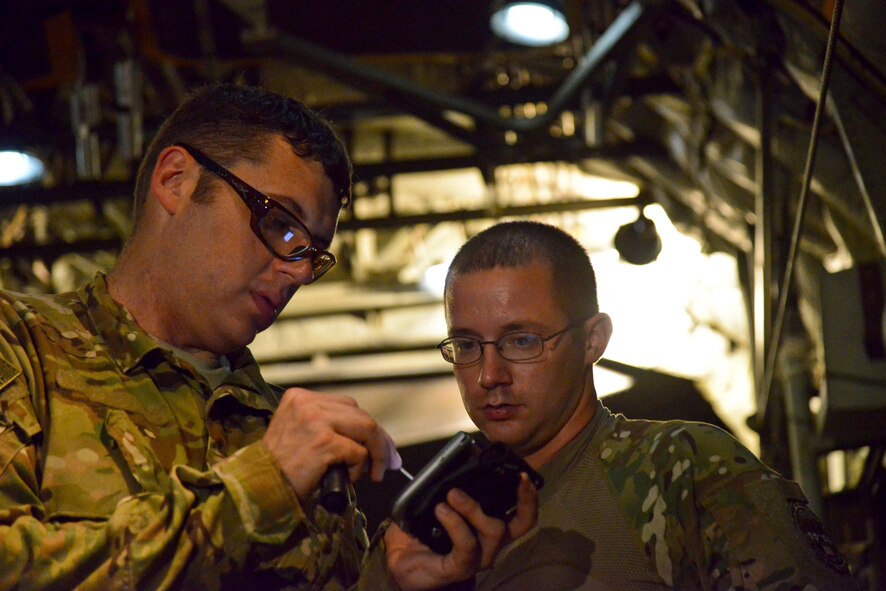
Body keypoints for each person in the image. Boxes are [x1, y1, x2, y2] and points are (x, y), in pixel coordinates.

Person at [0, 84, 535, 590]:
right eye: (281, 225)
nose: (299, 272)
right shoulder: (23, 349)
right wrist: (260, 489)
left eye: (312, 253)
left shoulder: (286, 431)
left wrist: (395, 580)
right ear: (176, 181)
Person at [437, 220, 859, 590]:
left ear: (593, 340)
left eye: (522, 340)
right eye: (467, 345)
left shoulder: (682, 470)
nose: (488, 375)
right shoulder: (441, 514)